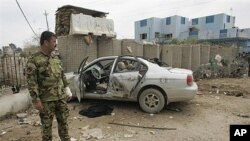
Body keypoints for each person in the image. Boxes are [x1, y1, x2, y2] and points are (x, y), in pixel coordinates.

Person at [26, 31, 72, 141]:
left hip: (60, 98)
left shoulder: (56, 57)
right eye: (54, 41)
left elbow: (61, 74)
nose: (55, 44)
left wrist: (67, 88)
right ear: (46, 42)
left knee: (64, 125)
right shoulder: (34, 59)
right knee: (47, 128)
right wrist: (36, 100)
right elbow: (32, 82)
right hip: (46, 100)